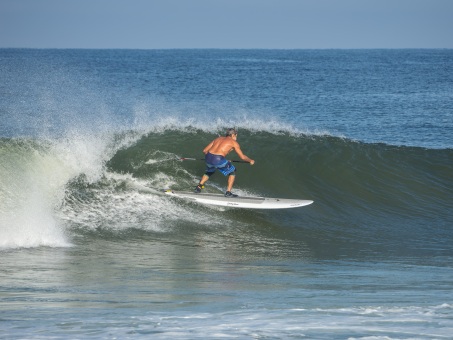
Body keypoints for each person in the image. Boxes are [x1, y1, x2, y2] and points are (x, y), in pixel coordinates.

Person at [195, 128, 255, 197]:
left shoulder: (218, 139)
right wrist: (250, 160)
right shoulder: (234, 143)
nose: (236, 137)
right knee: (232, 171)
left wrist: (214, 158)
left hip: (208, 157)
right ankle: (228, 192)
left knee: (210, 171)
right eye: (236, 135)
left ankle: (199, 187)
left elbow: (205, 150)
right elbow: (242, 157)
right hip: (219, 159)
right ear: (233, 135)